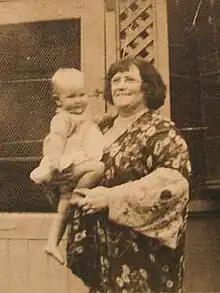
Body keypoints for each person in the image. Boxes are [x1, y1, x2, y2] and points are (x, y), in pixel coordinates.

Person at [51, 57, 191, 293]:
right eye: (116, 80)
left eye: (129, 79)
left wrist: (110, 198)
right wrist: (62, 177)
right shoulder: (98, 127)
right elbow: (68, 166)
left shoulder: (161, 131)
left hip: (141, 252)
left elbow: (173, 185)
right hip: (102, 251)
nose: (120, 85)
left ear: (147, 87)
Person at [30, 68, 105, 265]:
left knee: (63, 208)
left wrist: (109, 117)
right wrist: (55, 160)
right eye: (71, 96)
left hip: (74, 163)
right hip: (67, 163)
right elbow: (56, 138)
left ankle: (52, 243)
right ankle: (78, 195)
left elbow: (91, 124)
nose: (78, 101)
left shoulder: (80, 116)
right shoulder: (62, 118)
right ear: (58, 100)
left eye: (82, 95)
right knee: (97, 168)